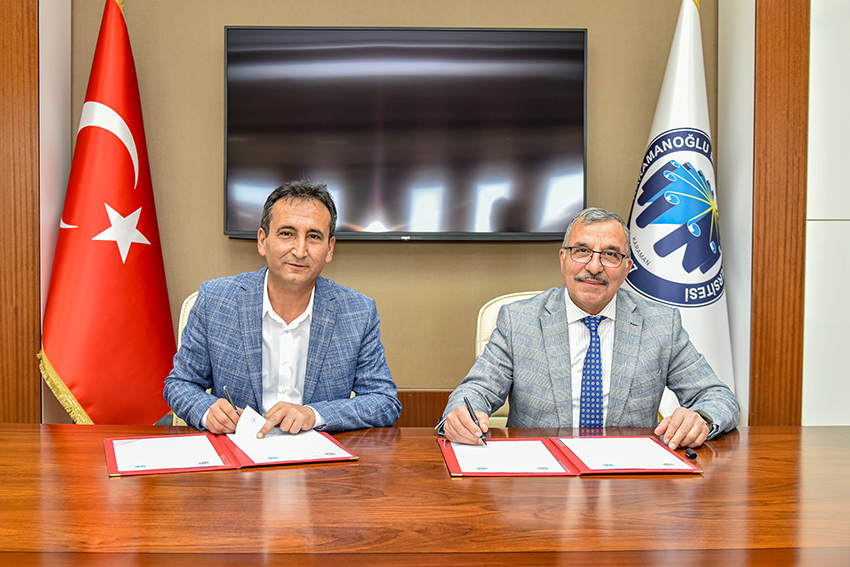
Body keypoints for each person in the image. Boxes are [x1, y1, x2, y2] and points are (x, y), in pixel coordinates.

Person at [440, 207, 739, 449]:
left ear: (627, 267)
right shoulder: (519, 321)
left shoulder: (661, 324)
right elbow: (474, 392)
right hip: (540, 480)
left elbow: (719, 398)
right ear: (563, 259)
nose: (594, 267)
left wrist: (701, 418)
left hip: (628, 479)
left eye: (610, 254)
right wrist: (461, 417)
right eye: (582, 250)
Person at [164, 179, 401, 437]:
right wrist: (207, 410)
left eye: (313, 237)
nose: (299, 250)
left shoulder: (358, 311)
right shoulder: (216, 300)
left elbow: (384, 401)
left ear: (329, 249)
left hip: (318, 457)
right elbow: (180, 384)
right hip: (239, 452)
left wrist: (314, 415)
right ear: (262, 240)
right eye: (287, 233)